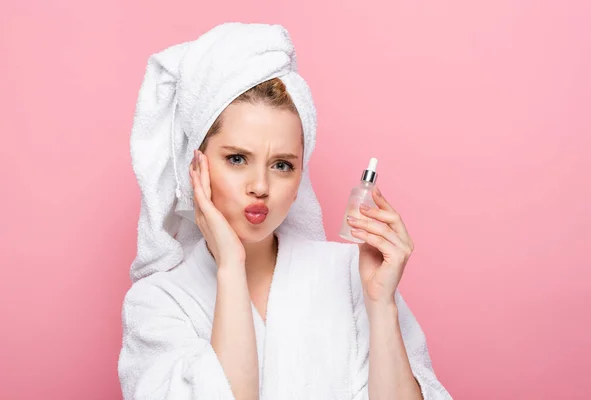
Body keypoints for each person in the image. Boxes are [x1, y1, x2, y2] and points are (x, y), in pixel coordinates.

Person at [118, 22, 452, 400]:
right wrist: (230, 267)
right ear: (195, 167)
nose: (260, 186)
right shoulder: (157, 302)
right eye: (237, 158)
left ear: (299, 180)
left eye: (282, 165)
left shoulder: (352, 275)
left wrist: (381, 304)